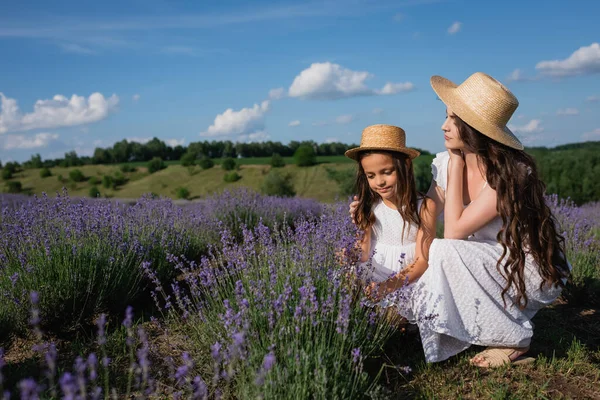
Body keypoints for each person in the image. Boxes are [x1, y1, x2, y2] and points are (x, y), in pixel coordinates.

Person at [352, 72, 571, 367]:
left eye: (453, 119)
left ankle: (513, 340)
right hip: (479, 260)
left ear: (474, 128)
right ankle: (416, 321)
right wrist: (377, 212)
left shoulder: (510, 174)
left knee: (442, 250)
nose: (444, 126)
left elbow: (454, 231)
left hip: (525, 267)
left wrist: (456, 161)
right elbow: (427, 210)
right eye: (446, 116)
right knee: (429, 257)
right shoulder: (444, 163)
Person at [344, 124, 436, 305]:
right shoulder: (369, 205)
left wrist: (387, 286)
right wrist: (347, 253)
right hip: (373, 272)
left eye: (387, 172)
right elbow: (362, 252)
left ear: (406, 165)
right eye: (371, 176)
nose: (380, 181)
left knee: (393, 315)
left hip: (406, 279)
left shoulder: (424, 206)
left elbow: (421, 261)